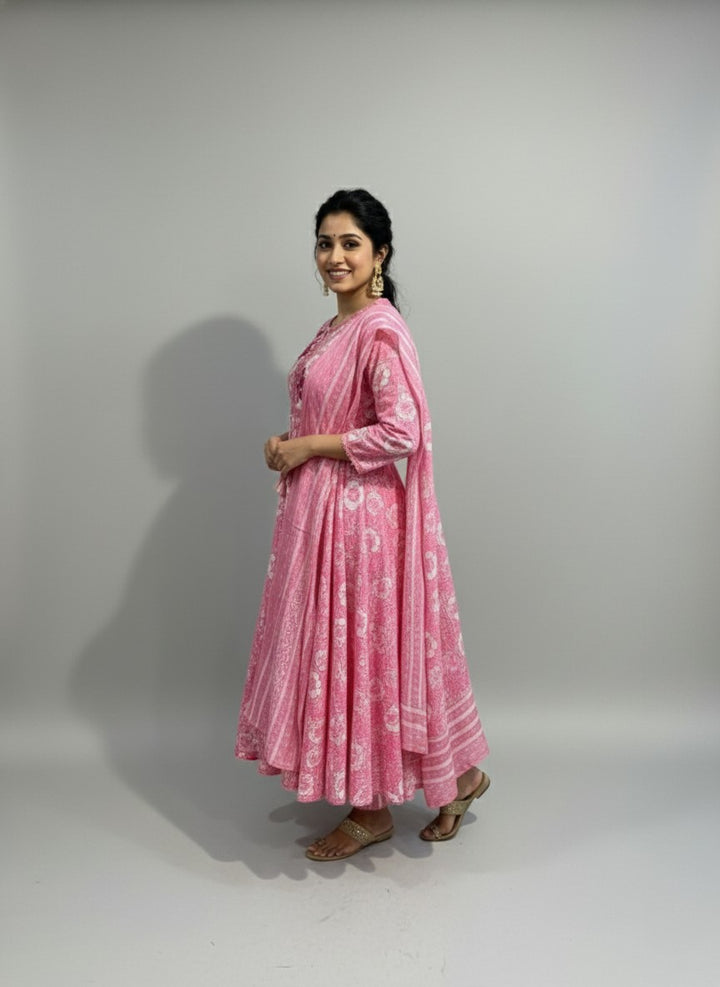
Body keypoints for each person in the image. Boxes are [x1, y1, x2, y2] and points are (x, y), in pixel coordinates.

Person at [235, 189, 489, 860]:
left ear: (380, 253)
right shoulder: (333, 329)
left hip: (359, 525)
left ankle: (372, 809)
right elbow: (327, 415)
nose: (335, 255)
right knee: (352, 656)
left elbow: (400, 431)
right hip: (322, 518)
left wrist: (309, 447)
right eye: (325, 243)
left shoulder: (378, 327)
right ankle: (458, 777)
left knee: (360, 657)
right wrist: (286, 445)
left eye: (350, 242)